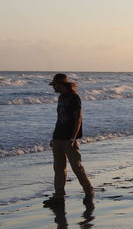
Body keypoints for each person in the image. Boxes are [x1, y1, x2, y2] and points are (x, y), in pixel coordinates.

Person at [43, 73, 94, 206]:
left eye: (54, 85)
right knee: (58, 168)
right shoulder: (61, 97)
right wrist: (53, 137)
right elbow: (59, 118)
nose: (53, 87)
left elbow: (78, 118)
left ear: (61, 84)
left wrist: (73, 137)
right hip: (58, 137)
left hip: (69, 138)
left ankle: (89, 192)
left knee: (76, 167)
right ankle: (59, 196)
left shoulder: (74, 97)